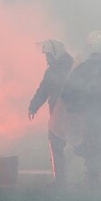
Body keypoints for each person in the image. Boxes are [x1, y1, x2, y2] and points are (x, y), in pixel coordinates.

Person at [61, 32, 101, 188]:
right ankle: (94, 176)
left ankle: (92, 175)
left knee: (90, 143)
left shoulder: (83, 67)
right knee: (100, 144)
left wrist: (74, 108)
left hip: (84, 114)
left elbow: (67, 91)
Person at [28, 39, 76, 187]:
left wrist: (33, 106)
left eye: (48, 55)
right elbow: (44, 90)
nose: (46, 58)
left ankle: (62, 179)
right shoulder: (73, 67)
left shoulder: (70, 69)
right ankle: (67, 178)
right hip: (65, 113)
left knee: (58, 143)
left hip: (66, 113)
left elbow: (44, 90)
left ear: (56, 54)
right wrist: (33, 106)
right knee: (61, 143)